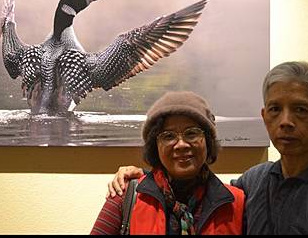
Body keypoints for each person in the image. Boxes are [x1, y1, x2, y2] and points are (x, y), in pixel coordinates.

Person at [107, 61, 308, 235]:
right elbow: (201, 190)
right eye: (275, 109)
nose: (285, 122)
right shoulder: (255, 181)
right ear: (264, 117)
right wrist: (144, 176)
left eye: (300, 110)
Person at [90, 91, 245, 235]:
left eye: (191, 133)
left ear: (208, 141)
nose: (181, 144)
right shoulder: (127, 196)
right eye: (168, 136)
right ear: (154, 145)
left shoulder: (236, 203)